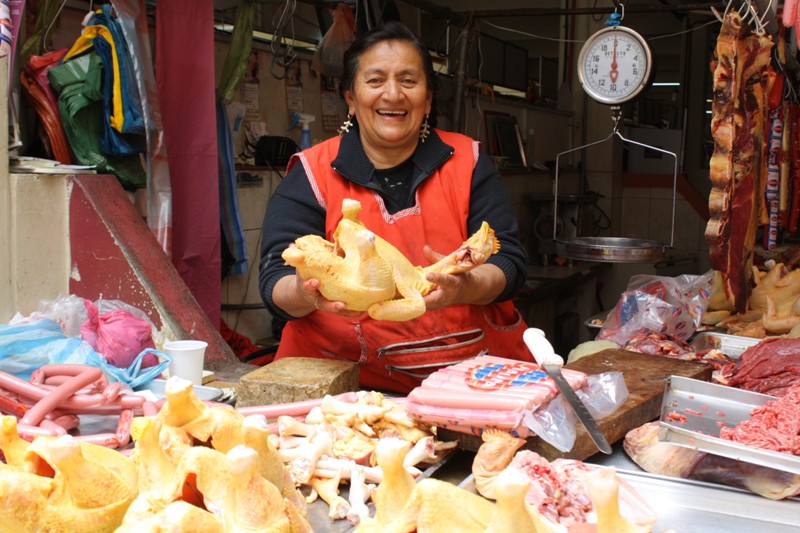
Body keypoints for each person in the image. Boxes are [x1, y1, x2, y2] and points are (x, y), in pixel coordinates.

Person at [259, 21, 532, 394]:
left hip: (474, 382)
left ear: (428, 98)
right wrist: (305, 292)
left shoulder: (468, 161)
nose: (393, 94)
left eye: (408, 80)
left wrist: (463, 287)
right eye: (374, 81)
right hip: (345, 394)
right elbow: (275, 279)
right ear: (351, 98)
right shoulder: (312, 172)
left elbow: (510, 263)